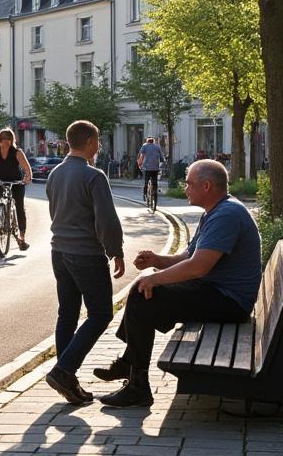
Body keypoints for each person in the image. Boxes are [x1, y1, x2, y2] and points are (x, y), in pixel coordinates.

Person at [95, 159, 262, 408]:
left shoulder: (226, 215)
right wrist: (157, 261)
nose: (185, 188)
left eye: (189, 184)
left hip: (230, 301)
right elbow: (189, 257)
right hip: (217, 292)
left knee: (143, 296)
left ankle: (137, 383)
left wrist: (154, 278)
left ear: (206, 186)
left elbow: (197, 268)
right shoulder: (216, 211)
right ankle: (130, 367)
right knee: (142, 292)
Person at [43, 120, 125, 405]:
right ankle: (64, 370)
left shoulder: (54, 173)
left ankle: (66, 377)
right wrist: (117, 252)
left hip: (59, 252)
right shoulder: (94, 176)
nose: (99, 146)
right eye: (98, 141)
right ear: (89, 142)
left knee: (67, 313)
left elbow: (55, 211)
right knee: (101, 314)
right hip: (86, 254)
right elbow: (107, 221)